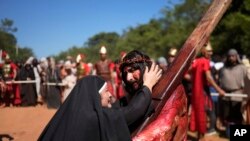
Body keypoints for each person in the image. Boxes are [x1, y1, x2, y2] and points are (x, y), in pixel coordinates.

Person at [38, 75, 131, 141]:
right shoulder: (90, 119)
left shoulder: (75, 114)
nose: (110, 95)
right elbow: (132, 112)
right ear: (95, 96)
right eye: (106, 91)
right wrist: (146, 89)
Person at [119, 50, 162, 133]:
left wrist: (147, 85)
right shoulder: (127, 97)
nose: (128, 78)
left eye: (132, 70)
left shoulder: (162, 90)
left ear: (144, 69)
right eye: (125, 73)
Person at [189, 42, 225, 138]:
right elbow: (208, 77)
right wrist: (219, 90)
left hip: (196, 92)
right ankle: (204, 136)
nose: (211, 53)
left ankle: (199, 136)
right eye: (209, 51)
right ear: (203, 51)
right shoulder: (205, 61)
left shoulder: (196, 61)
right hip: (203, 92)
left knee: (199, 112)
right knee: (207, 112)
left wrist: (195, 81)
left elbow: (187, 74)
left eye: (211, 51)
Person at [219, 49, 248, 127]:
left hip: (238, 95)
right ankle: (228, 132)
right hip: (225, 95)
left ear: (236, 57)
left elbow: (247, 82)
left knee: (237, 115)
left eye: (233, 56)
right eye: (229, 56)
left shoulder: (242, 68)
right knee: (226, 115)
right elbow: (220, 81)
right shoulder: (223, 69)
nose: (231, 58)